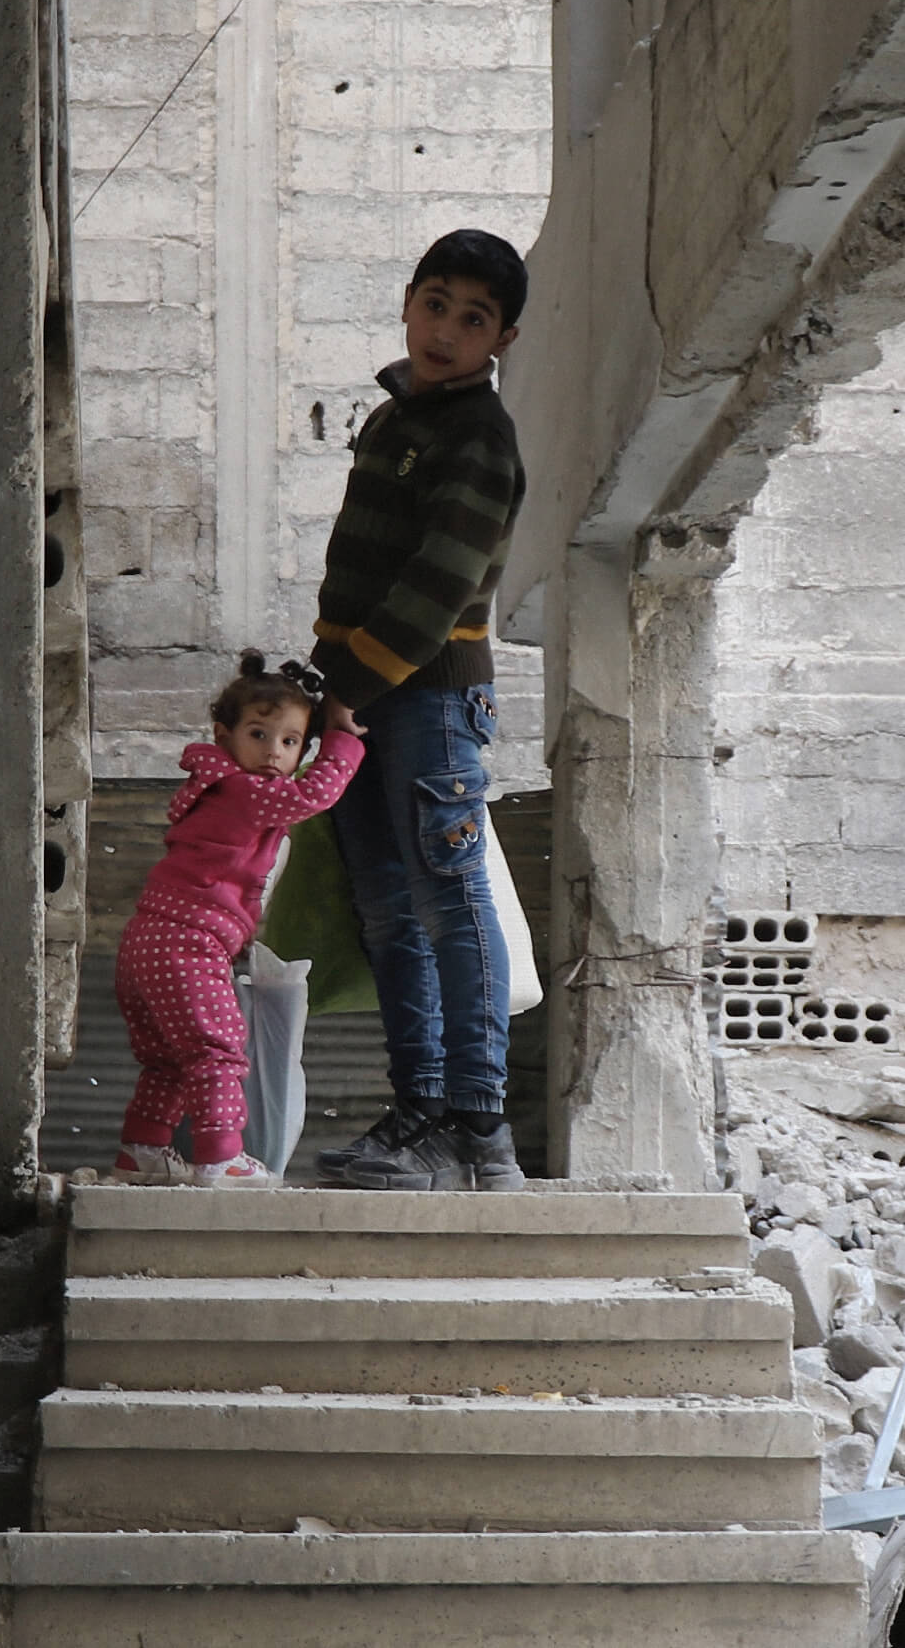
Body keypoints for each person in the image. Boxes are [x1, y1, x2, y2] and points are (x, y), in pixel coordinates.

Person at [309, 227, 529, 1191]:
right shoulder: (399, 419)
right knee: (389, 910)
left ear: (500, 341)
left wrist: (346, 692)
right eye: (435, 303)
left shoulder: (479, 437)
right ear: (408, 300)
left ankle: (480, 1129)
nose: (446, 328)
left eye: (472, 318)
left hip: (426, 702)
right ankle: (420, 1114)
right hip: (359, 696)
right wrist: (329, 691)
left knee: (447, 899)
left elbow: (438, 588)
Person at [112, 651, 363, 1187]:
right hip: (189, 941)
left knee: (167, 1060)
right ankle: (221, 1158)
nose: (274, 753)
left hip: (146, 941)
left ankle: (143, 1150)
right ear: (224, 735)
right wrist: (343, 739)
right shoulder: (245, 792)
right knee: (219, 1050)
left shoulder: (213, 788)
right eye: (259, 734)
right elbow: (315, 794)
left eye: (291, 742)